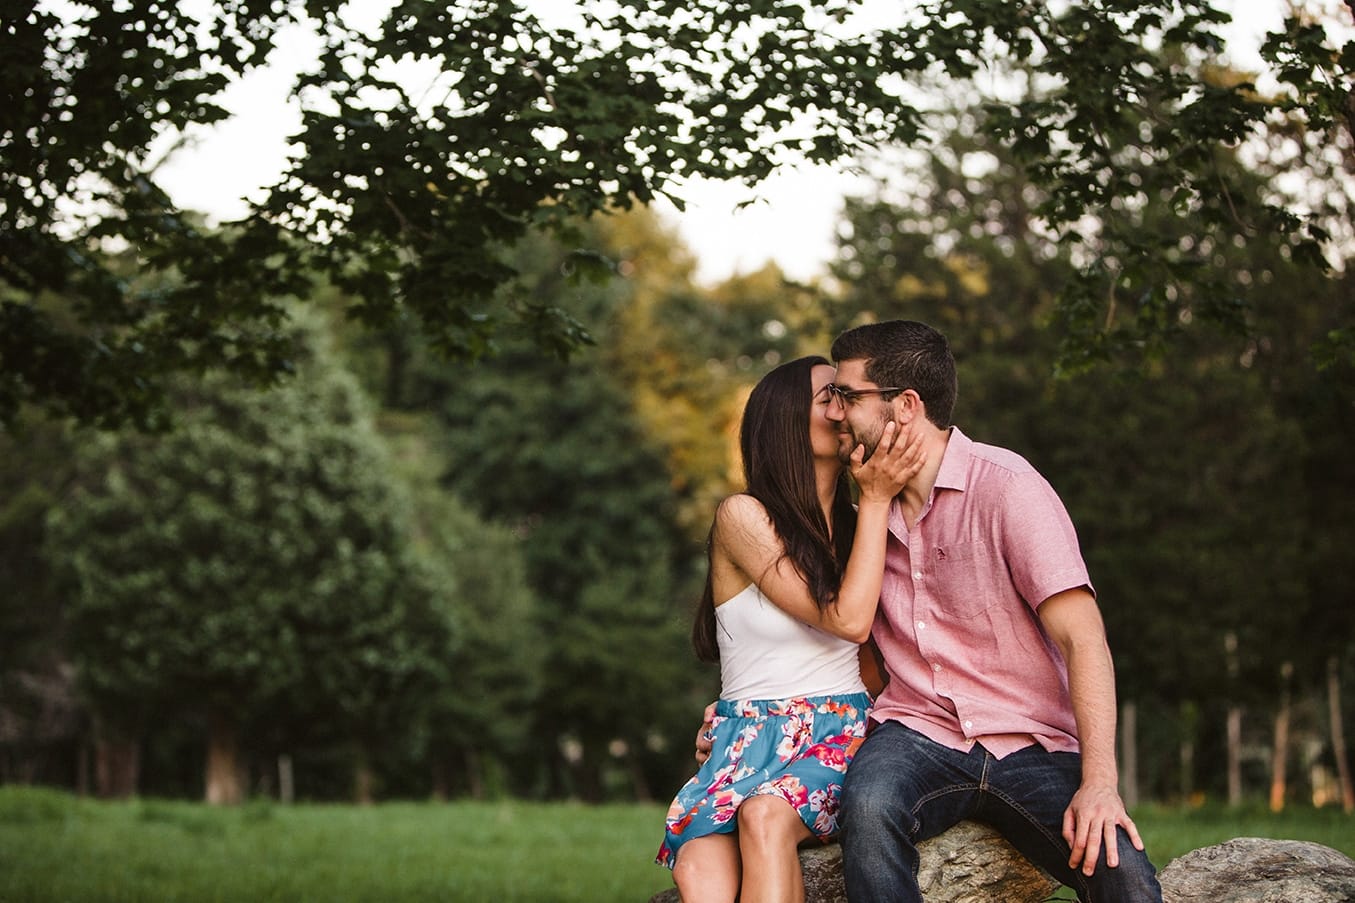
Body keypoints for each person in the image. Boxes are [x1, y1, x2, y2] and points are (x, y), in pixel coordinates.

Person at [696, 321, 1164, 903]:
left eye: (848, 396)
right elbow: (838, 644)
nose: (837, 413)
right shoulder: (858, 525)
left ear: (906, 406)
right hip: (916, 735)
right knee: (868, 807)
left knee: (1121, 870)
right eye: (832, 398)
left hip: (1030, 739)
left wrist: (1100, 783)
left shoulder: (1007, 488)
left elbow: (1084, 640)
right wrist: (749, 713)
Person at [656, 355, 926, 903]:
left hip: (835, 733)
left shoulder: (865, 526)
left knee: (765, 817)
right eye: (831, 395)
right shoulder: (743, 517)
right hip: (743, 738)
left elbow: (861, 640)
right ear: (785, 423)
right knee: (699, 877)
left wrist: (873, 501)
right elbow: (840, 618)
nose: (845, 409)